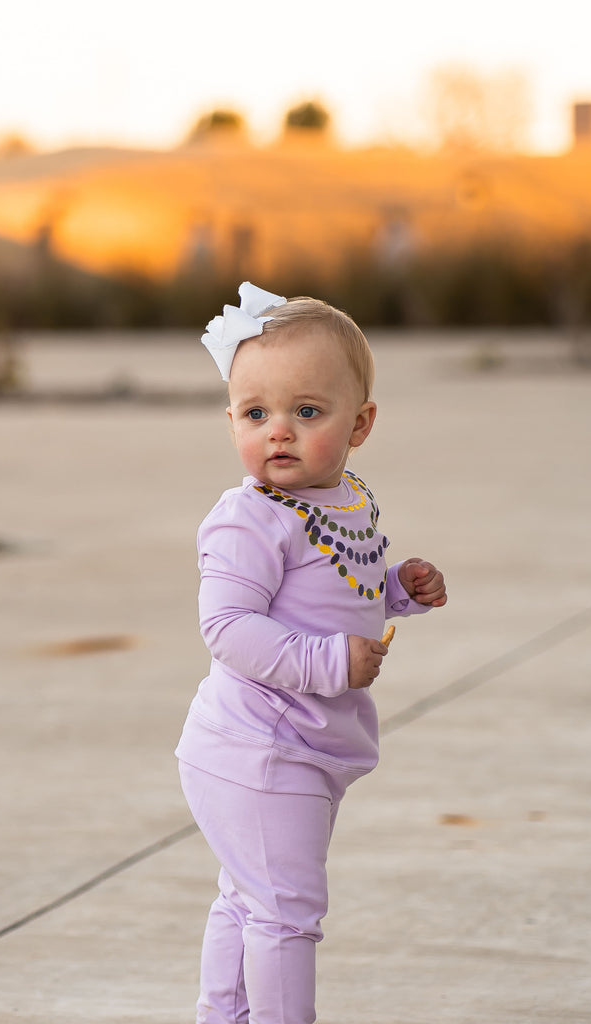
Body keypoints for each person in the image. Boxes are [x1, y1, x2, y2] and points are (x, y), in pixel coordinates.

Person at [175, 282, 447, 1024]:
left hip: (301, 746)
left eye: (306, 411)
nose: (279, 432)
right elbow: (228, 627)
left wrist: (396, 589)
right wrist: (330, 663)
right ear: (230, 417)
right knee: (286, 912)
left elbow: (336, 587)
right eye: (255, 413)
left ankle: (220, 1015)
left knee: (249, 895)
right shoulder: (247, 519)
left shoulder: (341, 498)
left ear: (358, 425)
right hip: (254, 747)